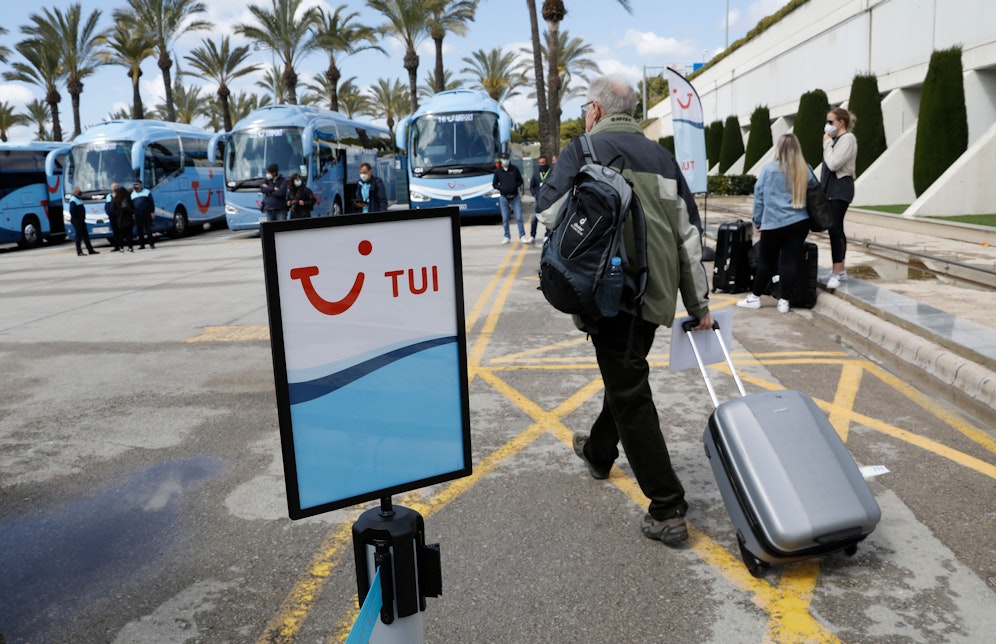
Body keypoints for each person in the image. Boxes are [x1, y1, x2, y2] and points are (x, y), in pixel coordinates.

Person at [535, 75, 713, 546]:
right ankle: (597, 451)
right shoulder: (663, 156)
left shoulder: (583, 150)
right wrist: (699, 305)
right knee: (626, 372)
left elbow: (546, 213)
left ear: (595, 110)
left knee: (629, 388)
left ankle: (667, 506)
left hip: (604, 292)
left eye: (583, 109)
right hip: (654, 295)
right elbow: (689, 238)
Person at [737, 133, 817, 314]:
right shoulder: (806, 169)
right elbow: (815, 194)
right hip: (799, 221)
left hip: (773, 223)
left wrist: (757, 220)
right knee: (789, 260)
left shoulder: (768, 170)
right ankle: (784, 301)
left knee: (766, 260)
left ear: (778, 149)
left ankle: (755, 297)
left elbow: (759, 198)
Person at [822, 107, 857, 289]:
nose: (827, 126)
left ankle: (836, 272)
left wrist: (827, 144)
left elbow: (834, 163)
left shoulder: (848, 139)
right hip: (831, 188)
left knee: (835, 228)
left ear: (841, 122)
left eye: (830, 122)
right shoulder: (836, 139)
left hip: (840, 188)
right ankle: (840, 269)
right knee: (835, 228)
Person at [494, 152, 528, 244]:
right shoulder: (498, 171)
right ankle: (506, 236)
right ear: (501, 160)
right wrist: (501, 187)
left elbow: (520, 181)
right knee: (505, 218)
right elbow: (494, 184)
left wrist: (514, 186)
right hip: (504, 197)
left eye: (507, 158)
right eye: (504, 159)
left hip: (515, 197)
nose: (505, 160)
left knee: (519, 217)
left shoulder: (514, 169)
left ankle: (522, 235)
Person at [528, 155, 552, 242]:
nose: (541, 165)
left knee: (548, 217)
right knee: (534, 218)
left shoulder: (552, 173)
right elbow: (532, 186)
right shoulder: (536, 174)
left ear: (546, 163)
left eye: (543, 163)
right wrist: (534, 194)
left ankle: (547, 234)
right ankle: (532, 235)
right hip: (538, 200)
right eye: (540, 163)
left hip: (548, 200)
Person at [69, 186, 98, 256]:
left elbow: (85, 198)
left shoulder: (78, 198)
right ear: (76, 192)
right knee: (78, 236)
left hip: (81, 220)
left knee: (85, 235)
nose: (80, 192)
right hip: (77, 220)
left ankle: (90, 250)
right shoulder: (73, 200)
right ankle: (79, 251)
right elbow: (72, 211)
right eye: (79, 191)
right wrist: (78, 217)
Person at [131, 179, 156, 249]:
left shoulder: (147, 192)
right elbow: (131, 205)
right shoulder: (133, 194)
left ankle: (151, 244)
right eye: (134, 185)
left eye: (137, 184)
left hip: (146, 213)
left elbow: (151, 203)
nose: (135, 186)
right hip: (137, 214)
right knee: (139, 230)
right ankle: (142, 245)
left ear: (141, 185)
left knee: (148, 229)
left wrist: (152, 212)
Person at [110, 186, 135, 252]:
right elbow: (132, 208)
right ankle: (130, 247)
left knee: (121, 235)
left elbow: (112, 209)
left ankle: (121, 248)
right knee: (129, 234)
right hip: (128, 219)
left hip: (119, 220)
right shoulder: (127, 198)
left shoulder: (115, 199)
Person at [105, 182, 120, 251]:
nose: (115, 188)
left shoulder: (121, 195)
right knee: (115, 231)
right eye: (114, 187)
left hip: (120, 216)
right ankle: (117, 246)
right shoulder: (109, 196)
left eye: (116, 187)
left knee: (122, 230)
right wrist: (109, 214)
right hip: (112, 217)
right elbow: (107, 206)